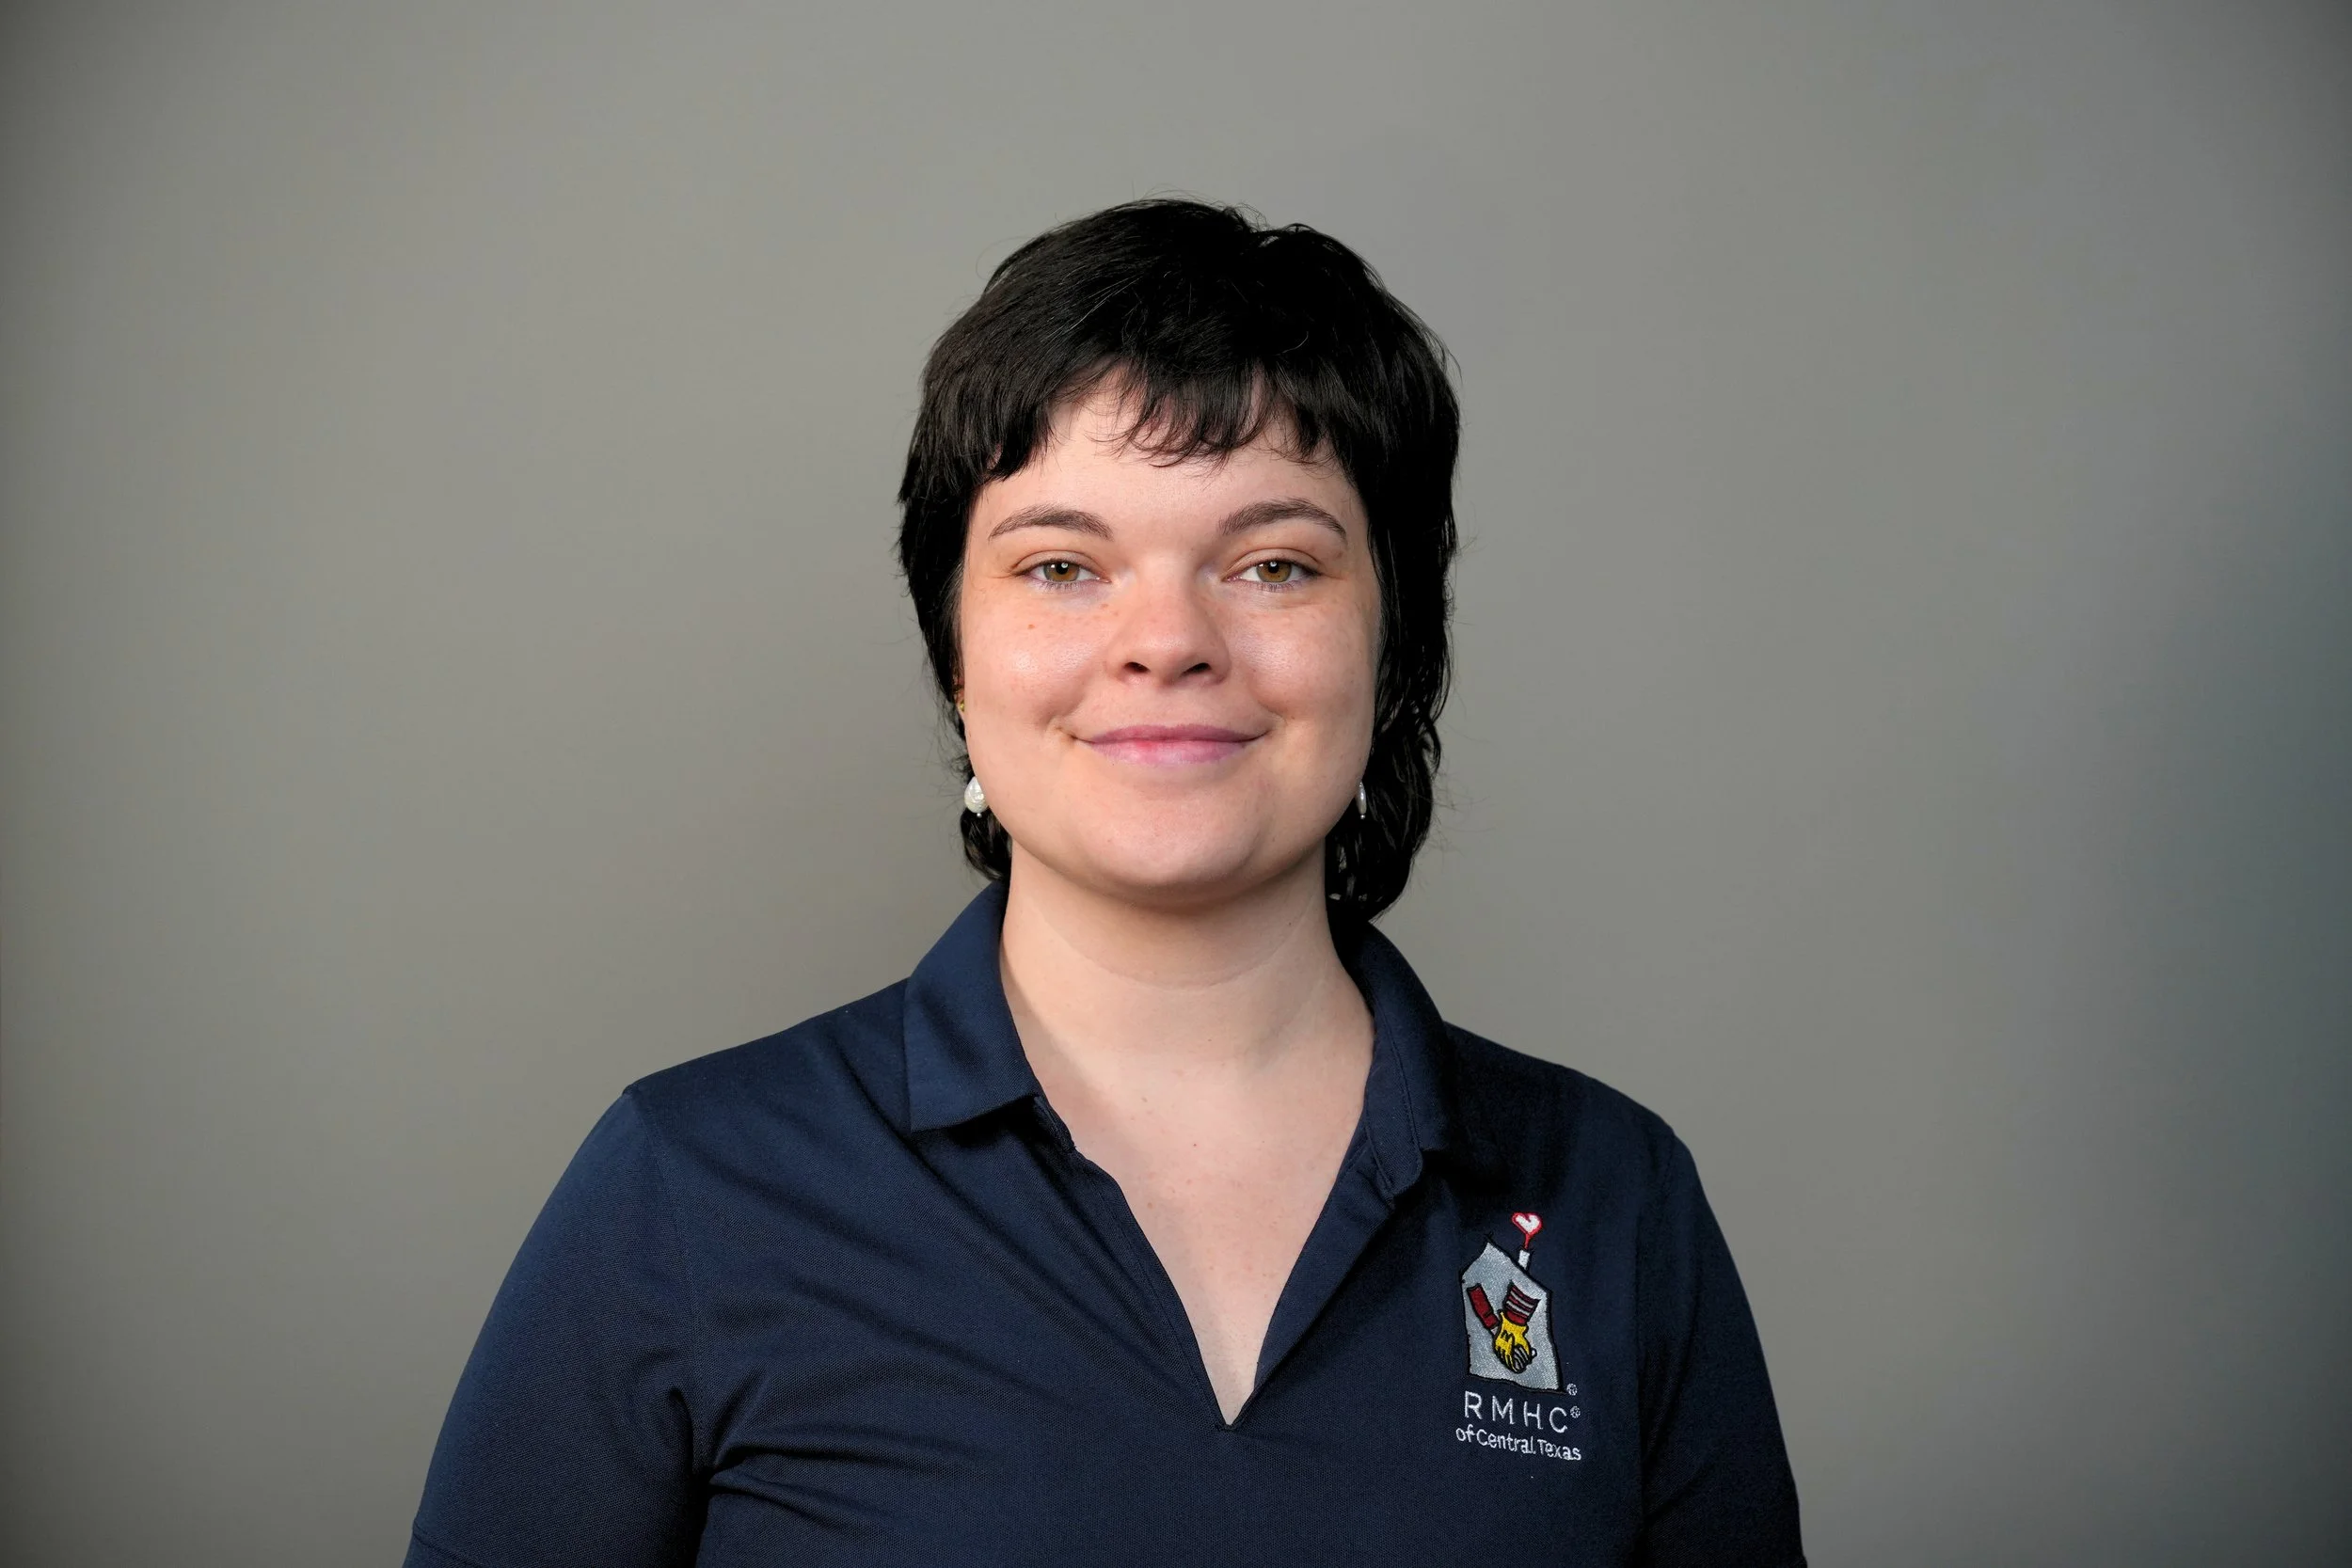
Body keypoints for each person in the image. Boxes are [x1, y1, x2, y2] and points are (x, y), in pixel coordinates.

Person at [404, 198, 1805, 1567]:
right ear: (958, 658)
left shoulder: (1613, 1197)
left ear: (1394, 652)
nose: (1166, 640)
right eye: (1064, 565)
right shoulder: (690, 1188)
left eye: (1273, 563)